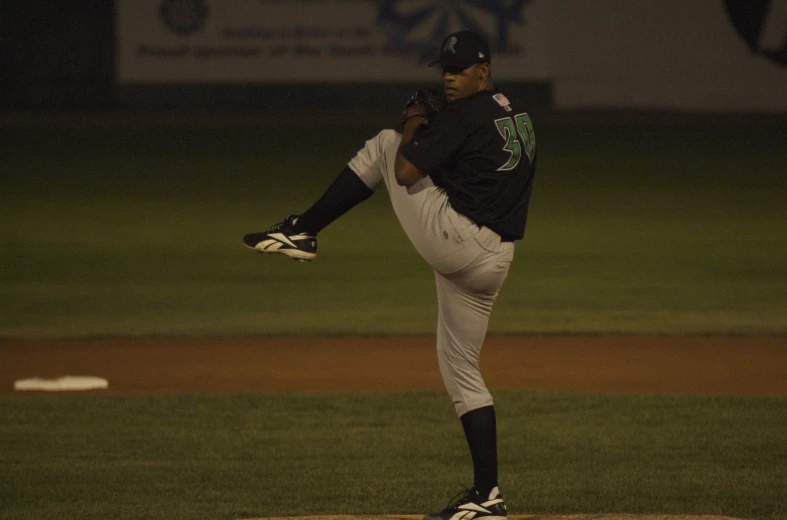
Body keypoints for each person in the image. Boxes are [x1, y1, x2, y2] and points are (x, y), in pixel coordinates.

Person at [243, 30, 537, 520]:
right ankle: (487, 497)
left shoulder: (463, 115)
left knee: (385, 145)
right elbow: (470, 163)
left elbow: (404, 171)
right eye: (444, 68)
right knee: (461, 371)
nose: (448, 77)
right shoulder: (515, 111)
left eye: (458, 69)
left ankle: (303, 229)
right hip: (495, 259)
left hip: (461, 243)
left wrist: (417, 122)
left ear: (483, 70)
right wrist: (437, 129)